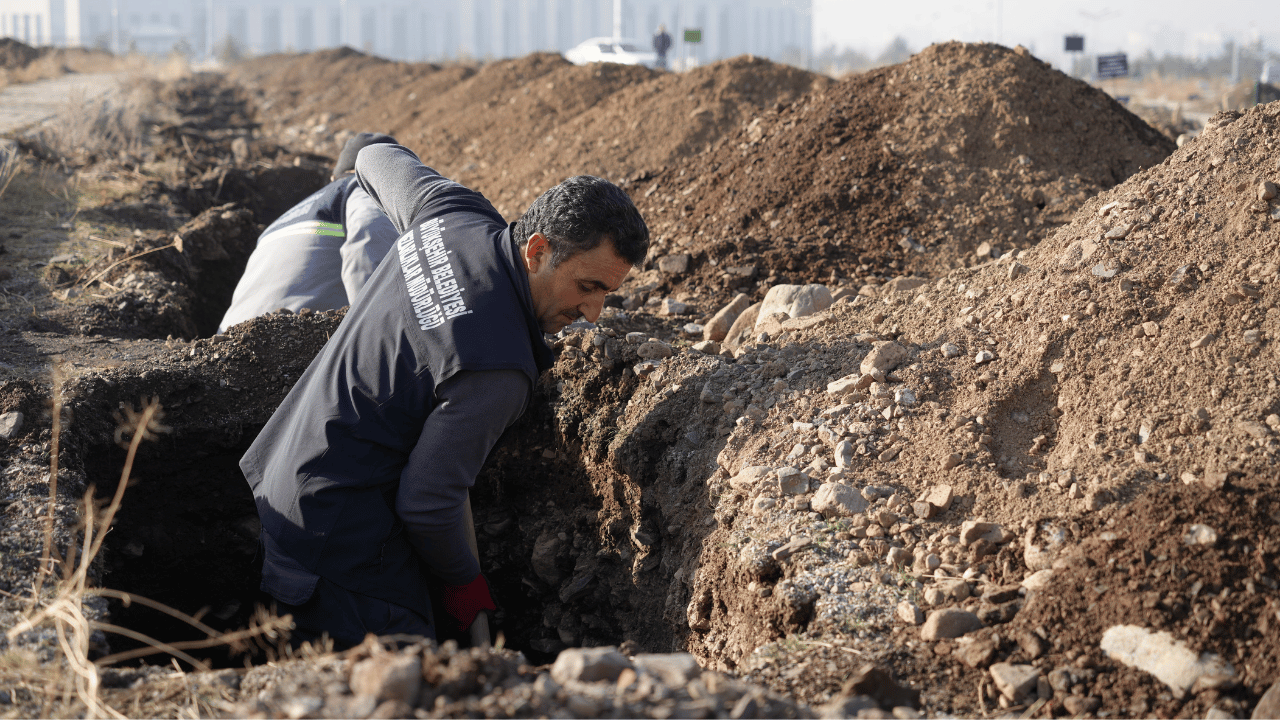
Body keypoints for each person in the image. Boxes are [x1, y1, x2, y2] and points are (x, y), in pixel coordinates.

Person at [241, 142, 649, 648]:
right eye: (587, 286)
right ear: (538, 250)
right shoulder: (497, 368)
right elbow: (429, 502)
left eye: (607, 293)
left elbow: (372, 157)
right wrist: (464, 587)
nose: (593, 312)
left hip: (283, 482)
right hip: (339, 548)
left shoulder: (450, 213)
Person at [217, 132, 401, 333]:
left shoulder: (278, 223)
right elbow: (370, 235)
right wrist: (384, 331)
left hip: (226, 342)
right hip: (291, 340)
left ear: (332, 177)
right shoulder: (362, 187)